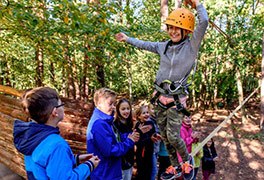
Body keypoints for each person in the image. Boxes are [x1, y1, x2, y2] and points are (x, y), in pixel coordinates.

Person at [115, 0, 208, 179]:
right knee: (165, 136)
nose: (172, 31)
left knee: (173, 136)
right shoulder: (163, 46)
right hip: (159, 98)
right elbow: (145, 44)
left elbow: (203, 22)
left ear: (186, 31)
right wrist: (127, 39)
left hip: (176, 100)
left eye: (177, 28)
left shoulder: (191, 47)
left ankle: (186, 161)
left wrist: (197, 4)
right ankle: (176, 167)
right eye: (170, 27)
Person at [13, 87, 100, 179]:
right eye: (61, 104)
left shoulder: (31, 136)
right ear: (55, 112)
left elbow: (46, 162)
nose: (63, 107)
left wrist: (76, 159)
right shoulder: (57, 144)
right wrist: (89, 165)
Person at [86, 88, 140, 180]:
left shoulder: (106, 121)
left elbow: (115, 138)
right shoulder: (99, 124)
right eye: (110, 104)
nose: (113, 107)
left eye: (114, 104)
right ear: (99, 103)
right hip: (105, 174)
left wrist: (129, 136)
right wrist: (129, 141)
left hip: (110, 172)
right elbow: (110, 150)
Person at [113, 98, 135, 180]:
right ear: (118, 110)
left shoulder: (129, 123)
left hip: (130, 160)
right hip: (120, 163)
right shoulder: (115, 125)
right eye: (123, 109)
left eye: (128, 108)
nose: (126, 111)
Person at [134, 105, 157, 180]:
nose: (146, 114)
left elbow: (153, 134)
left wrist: (155, 136)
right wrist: (149, 139)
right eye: (143, 113)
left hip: (150, 151)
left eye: (147, 112)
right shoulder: (138, 126)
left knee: (150, 171)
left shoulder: (151, 123)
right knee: (142, 172)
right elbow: (138, 141)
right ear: (139, 116)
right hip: (141, 153)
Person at [148, 103, 162, 180]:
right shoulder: (149, 120)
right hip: (151, 149)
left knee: (154, 170)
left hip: (156, 148)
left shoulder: (157, 120)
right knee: (154, 171)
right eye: (152, 109)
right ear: (149, 110)